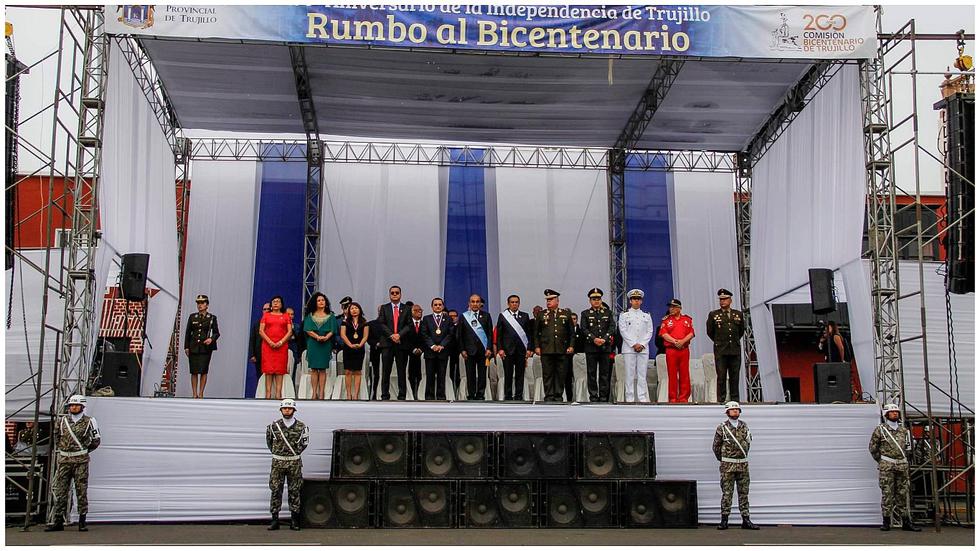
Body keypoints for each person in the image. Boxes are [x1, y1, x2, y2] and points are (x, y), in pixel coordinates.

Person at [44, 395, 101, 532]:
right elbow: (57, 438)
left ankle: (82, 520)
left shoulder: (89, 421)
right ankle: (58, 520)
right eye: (71, 405)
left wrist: (83, 451)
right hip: (64, 460)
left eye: (76, 405)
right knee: (60, 490)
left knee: (81, 490)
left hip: (80, 461)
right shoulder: (62, 420)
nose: (73, 407)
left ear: (82, 407)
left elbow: (96, 440)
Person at [870, 403, 921, 532]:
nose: (895, 414)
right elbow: (873, 448)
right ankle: (886, 521)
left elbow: (909, 449)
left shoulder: (904, 431)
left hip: (902, 465)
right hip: (887, 465)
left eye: (896, 412)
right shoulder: (880, 430)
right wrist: (882, 461)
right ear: (886, 415)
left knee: (903, 493)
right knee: (887, 493)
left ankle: (906, 522)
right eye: (892, 412)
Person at [712, 401, 759, 530]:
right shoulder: (722, 427)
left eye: (737, 410)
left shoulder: (744, 426)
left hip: (743, 465)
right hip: (728, 466)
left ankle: (746, 519)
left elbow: (748, 443)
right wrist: (723, 460)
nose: (735, 412)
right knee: (727, 493)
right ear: (727, 412)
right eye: (733, 410)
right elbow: (716, 446)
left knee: (744, 493)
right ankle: (724, 520)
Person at [266, 398, 309, 531]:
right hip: (278, 462)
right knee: (275, 490)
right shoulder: (273, 426)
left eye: (289, 408)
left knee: (294, 490)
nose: (287, 410)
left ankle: (294, 521)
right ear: (281, 410)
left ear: (294, 410)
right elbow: (269, 442)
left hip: (294, 462)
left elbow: (304, 444)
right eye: (285, 408)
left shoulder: (302, 427)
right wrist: (279, 454)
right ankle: (274, 520)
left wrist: (293, 455)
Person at [534, 289, 575, 402]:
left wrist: (571, 346)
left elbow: (571, 333)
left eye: (551, 300)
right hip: (546, 349)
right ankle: (549, 396)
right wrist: (537, 346)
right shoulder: (542, 314)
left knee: (560, 373)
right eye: (547, 300)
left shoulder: (565, 314)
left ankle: (558, 395)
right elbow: (536, 333)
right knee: (547, 374)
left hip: (562, 349)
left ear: (557, 300)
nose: (548, 302)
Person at [706, 288, 745, 403]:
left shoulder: (738, 314)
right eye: (721, 299)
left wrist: (733, 341)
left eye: (725, 299)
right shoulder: (714, 314)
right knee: (721, 376)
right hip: (721, 350)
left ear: (730, 300)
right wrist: (719, 341)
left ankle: (735, 400)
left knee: (735, 376)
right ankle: (721, 399)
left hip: (734, 350)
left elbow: (741, 331)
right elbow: (710, 331)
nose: (722, 301)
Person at [495, 294, 534, 401]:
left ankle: (518, 396)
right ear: (508, 304)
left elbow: (529, 334)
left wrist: (529, 348)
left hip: (521, 350)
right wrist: (500, 349)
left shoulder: (525, 316)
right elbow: (499, 335)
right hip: (507, 350)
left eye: (516, 302)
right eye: (512, 302)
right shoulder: (503, 316)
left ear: (519, 303)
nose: (514, 304)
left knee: (520, 375)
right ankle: (507, 396)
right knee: (508, 374)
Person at [376, 286, 412, 400]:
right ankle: (385, 395)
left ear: (400, 294)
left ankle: (402, 396)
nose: (395, 294)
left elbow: (409, 324)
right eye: (392, 293)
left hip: (401, 343)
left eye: (397, 293)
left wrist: (399, 335)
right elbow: (381, 323)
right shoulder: (384, 308)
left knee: (402, 371)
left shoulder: (406, 308)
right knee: (386, 371)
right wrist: (392, 335)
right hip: (387, 344)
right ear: (389, 295)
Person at [618, 289, 654, 403]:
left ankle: (642, 397)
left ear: (641, 301)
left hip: (643, 349)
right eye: (634, 299)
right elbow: (623, 331)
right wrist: (634, 344)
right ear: (630, 301)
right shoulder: (624, 315)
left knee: (642, 374)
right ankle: (629, 398)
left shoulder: (646, 316)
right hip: (629, 348)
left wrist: (642, 344)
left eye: (638, 299)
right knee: (629, 374)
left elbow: (650, 331)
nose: (636, 301)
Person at [581, 288, 616, 403]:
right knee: (591, 373)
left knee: (604, 373)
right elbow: (584, 329)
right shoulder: (585, 313)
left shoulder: (608, 312)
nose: (596, 301)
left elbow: (612, 327)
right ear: (590, 301)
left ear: (601, 300)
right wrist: (594, 338)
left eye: (598, 299)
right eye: (593, 299)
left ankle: (603, 396)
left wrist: (605, 338)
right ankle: (593, 396)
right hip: (591, 347)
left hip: (605, 347)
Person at [457, 294, 493, 400]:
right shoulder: (464, 316)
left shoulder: (486, 316)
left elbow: (490, 334)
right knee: (470, 373)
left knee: (482, 374)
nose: (475, 304)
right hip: (469, 350)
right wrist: (462, 349)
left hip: (483, 350)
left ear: (481, 304)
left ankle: (480, 394)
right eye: (473, 301)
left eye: (477, 302)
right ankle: (471, 394)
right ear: (469, 303)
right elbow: (460, 335)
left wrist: (489, 348)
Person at [303, 292, 339, 400]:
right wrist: (317, 337)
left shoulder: (331, 316)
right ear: (315, 302)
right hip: (313, 343)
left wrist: (326, 337)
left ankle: (322, 392)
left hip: (325, 344)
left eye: (323, 300)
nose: (321, 302)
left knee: (323, 369)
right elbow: (307, 329)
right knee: (314, 369)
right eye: (319, 300)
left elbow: (333, 330)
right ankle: (314, 392)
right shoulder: (310, 315)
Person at [184, 294, 220, 399]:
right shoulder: (192, 317)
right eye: (198, 303)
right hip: (194, 346)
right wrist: (186, 347)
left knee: (203, 370)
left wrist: (211, 339)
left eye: (202, 303)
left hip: (205, 348)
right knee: (194, 371)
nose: (200, 305)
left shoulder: (212, 318)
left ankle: (201, 393)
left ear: (207, 305)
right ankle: (194, 393)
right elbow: (188, 333)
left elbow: (217, 333)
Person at [659, 298, 695, 403]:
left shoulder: (687, 319)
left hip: (684, 349)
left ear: (679, 308)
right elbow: (664, 334)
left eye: (674, 307)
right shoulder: (666, 320)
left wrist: (682, 341)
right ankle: (673, 398)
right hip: (671, 350)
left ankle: (684, 397)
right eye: (670, 307)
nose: (671, 309)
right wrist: (675, 342)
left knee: (684, 373)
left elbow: (691, 333)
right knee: (672, 374)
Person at [421, 297, 455, 400]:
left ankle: (441, 397)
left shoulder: (448, 319)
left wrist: (441, 345)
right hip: (430, 352)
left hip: (443, 351)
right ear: (432, 307)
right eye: (435, 305)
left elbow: (450, 334)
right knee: (430, 376)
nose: (438, 306)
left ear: (443, 306)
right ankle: (429, 397)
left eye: (440, 304)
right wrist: (433, 346)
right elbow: (424, 334)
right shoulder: (426, 319)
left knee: (442, 376)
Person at [260, 296, 292, 400]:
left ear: (281, 304)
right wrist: (269, 341)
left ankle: (278, 395)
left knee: (279, 371)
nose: (276, 303)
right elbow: (261, 331)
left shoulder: (286, 316)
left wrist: (281, 342)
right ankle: (268, 395)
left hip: (281, 347)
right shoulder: (266, 316)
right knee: (268, 371)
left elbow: (289, 331)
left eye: (278, 301)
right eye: (274, 301)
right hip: (268, 347)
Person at [340, 302, 368, 400]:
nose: (354, 310)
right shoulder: (345, 322)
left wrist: (360, 344)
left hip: (359, 349)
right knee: (347, 371)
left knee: (357, 371)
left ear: (359, 310)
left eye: (356, 308)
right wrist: (350, 344)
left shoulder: (364, 322)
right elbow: (343, 335)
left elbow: (365, 336)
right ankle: (348, 394)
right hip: (348, 349)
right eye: (352, 308)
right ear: (349, 311)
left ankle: (356, 394)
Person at [405, 304, 426, 399]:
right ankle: (412, 394)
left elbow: (427, 338)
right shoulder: (407, 325)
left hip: (423, 353)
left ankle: (421, 394)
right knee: (411, 375)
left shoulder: (425, 324)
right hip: (410, 354)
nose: (419, 312)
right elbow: (405, 339)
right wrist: (413, 349)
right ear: (411, 312)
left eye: (420, 310)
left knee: (421, 375)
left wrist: (421, 349)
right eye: (416, 310)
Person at [249, 303, 270, 387]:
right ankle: (261, 396)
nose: (266, 311)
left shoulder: (275, 323)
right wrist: (252, 354)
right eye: (264, 309)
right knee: (260, 376)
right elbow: (252, 339)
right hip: (259, 354)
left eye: (268, 309)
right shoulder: (257, 323)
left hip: (271, 354)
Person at [366, 306, 384, 401]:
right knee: (376, 374)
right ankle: (374, 394)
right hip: (376, 353)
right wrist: (376, 343)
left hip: (388, 352)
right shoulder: (371, 324)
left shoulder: (391, 324)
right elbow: (368, 338)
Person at [446, 309, 461, 395]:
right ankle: (450, 392)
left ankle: (458, 392)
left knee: (459, 374)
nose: (452, 318)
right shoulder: (445, 327)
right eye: (450, 316)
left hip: (459, 352)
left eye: (454, 316)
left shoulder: (461, 326)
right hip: (448, 353)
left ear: (457, 317)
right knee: (450, 373)